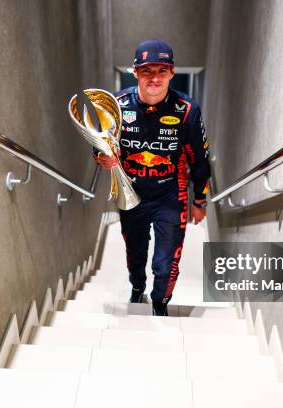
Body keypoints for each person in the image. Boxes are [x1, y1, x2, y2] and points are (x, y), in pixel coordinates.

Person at [94, 39, 211, 316]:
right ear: (135, 73)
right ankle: (137, 287)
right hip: (130, 193)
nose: (154, 78)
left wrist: (200, 200)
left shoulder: (187, 111)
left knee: (166, 262)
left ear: (172, 72)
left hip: (170, 194)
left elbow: (200, 160)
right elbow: (98, 146)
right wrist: (103, 158)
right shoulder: (117, 105)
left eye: (162, 70)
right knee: (136, 253)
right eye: (147, 71)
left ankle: (160, 302)